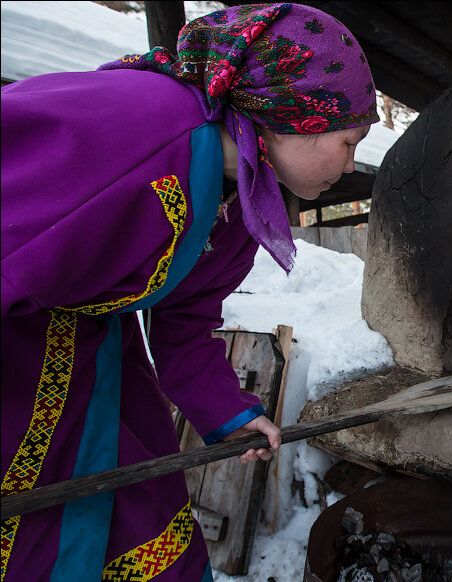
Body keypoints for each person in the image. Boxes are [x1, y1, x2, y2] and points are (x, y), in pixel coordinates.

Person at [0, 3, 378, 580]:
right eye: (349, 141)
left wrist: (227, 413)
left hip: (95, 373)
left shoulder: (239, 200)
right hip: (14, 371)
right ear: (292, 115)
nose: (352, 167)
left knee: (147, 544)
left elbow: (183, 322)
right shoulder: (138, 132)